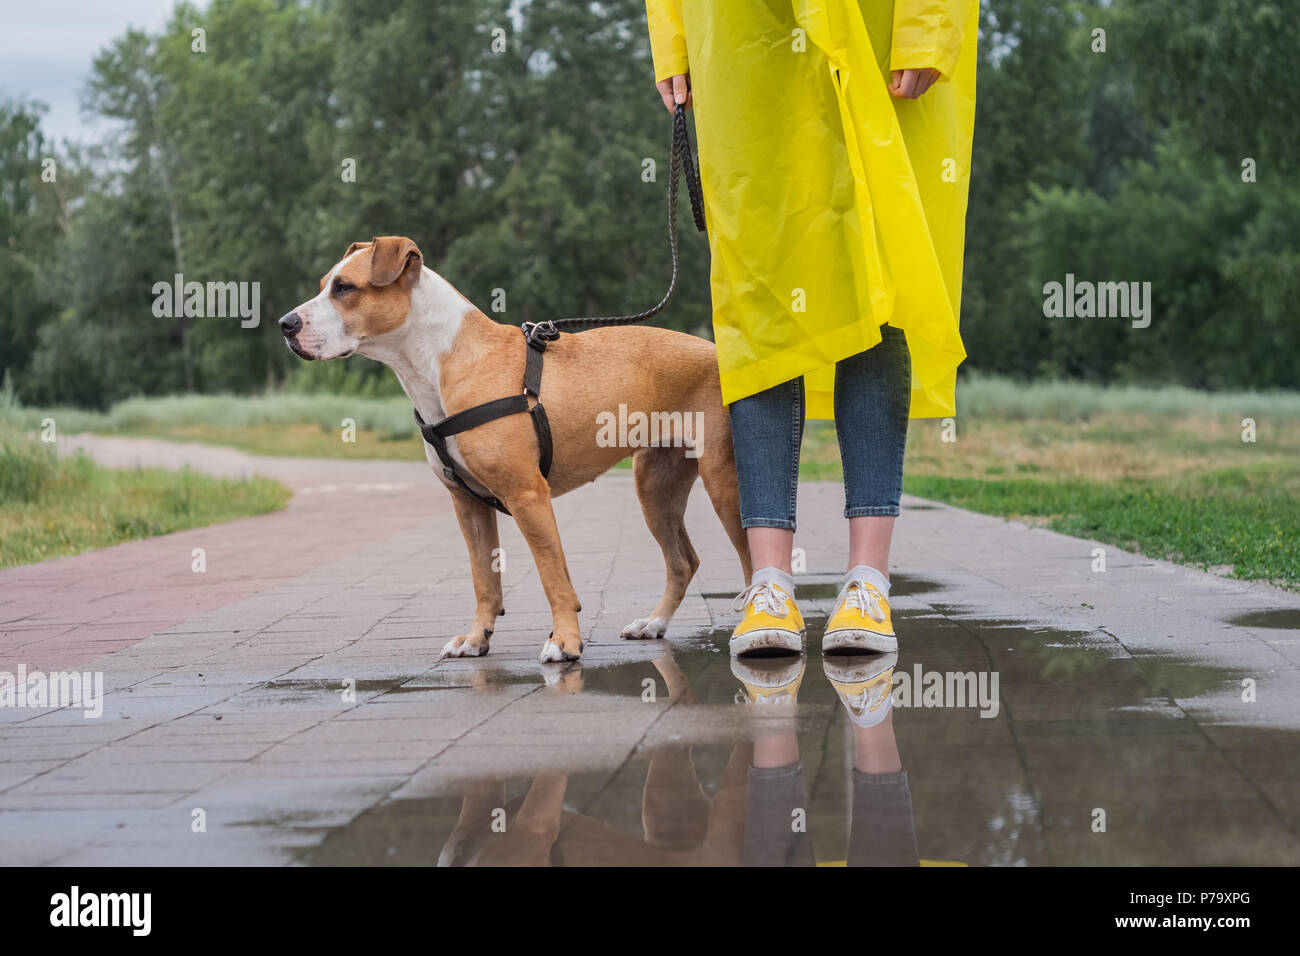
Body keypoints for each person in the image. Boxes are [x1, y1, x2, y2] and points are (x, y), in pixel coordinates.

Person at [645, 1, 977, 656]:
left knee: (877, 289)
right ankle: (769, 583)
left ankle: (867, 585)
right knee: (757, 304)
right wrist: (672, 37)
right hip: (741, 37)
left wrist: (928, 25)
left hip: (873, 28)